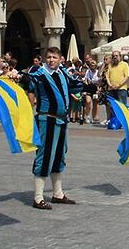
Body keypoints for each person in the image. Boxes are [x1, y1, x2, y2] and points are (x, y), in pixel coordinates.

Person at [27, 47, 84, 210]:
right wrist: (18, 77)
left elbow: (75, 86)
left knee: (59, 155)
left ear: (60, 59)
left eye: (54, 57)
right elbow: (28, 80)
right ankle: (38, 198)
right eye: (49, 57)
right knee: (44, 156)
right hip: (47, 119)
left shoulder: (63, 72)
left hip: (62, 121)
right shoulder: (40, 73)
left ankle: (57, 194)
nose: (51, 60)